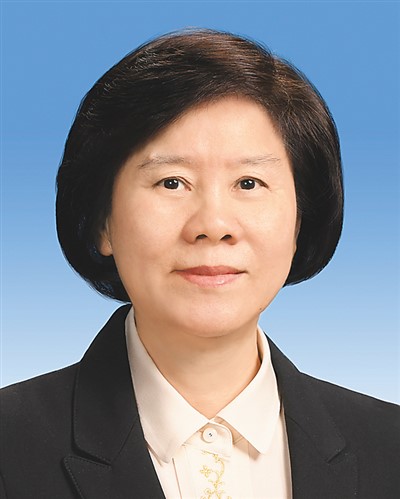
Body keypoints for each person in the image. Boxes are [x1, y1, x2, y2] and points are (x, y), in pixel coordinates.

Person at [0, 28, 398, 499]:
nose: (213, 225)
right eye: (171, 182)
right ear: (101, 221)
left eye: (248, 183)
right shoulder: (11, 446)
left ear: (300, 221)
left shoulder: (388, 446)